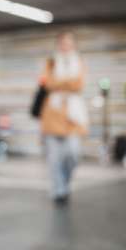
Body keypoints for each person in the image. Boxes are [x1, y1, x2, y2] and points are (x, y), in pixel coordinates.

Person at [40, 32, 88, 206]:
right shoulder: (51, 62)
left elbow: (79, 84)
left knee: (73, 155)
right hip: (52, 114)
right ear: (58, 45)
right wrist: (68, 83)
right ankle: (59, 190)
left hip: (73, 116)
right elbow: (48, 84)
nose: (65, 46)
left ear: (74, 45)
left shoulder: (79, 62)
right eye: (62, 43)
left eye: (69, 43)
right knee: (54, 158)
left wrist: (60, 83)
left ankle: (65, 183)